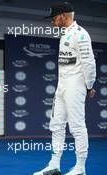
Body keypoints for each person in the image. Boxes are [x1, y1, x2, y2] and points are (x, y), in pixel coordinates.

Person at [34, 2, 96, 175]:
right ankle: (54, 165)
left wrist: (89, 85)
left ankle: (80, 168)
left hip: (75, 86)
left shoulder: (80, 34)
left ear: (64, 16)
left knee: (77, 126)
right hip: (62, 86)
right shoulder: (65, 34)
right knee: (56, 125)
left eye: (54, 18)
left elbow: (89, 62)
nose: (52, 22)